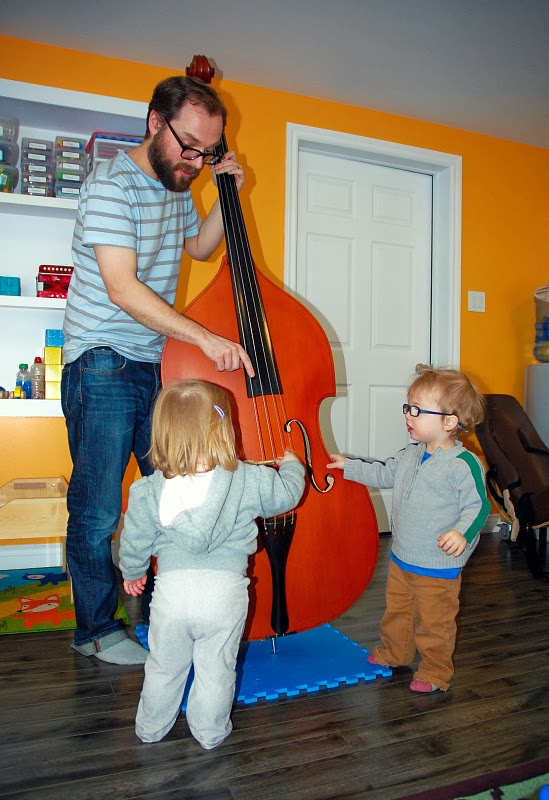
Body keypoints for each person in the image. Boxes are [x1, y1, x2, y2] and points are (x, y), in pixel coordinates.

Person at [61, 75, 255, 665]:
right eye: (189, 145)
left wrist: (228, 194)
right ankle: (95, 630)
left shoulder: (177, 182)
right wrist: (206, 338)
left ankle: (168, 613)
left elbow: (198, 247)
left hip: (152, 360)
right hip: (101, 361)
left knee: (172, 496)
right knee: (98, 509)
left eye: (208, 151)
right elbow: (122, 288)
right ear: (154, 123)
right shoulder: (110, 186)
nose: (196, 160)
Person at [119, 379, 305, 748]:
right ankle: (209, 732)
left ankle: (151, 728)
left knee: (164, 666)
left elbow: (134, 539)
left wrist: (133, 572)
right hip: (223, 594)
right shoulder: (250, 478)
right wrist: (293, 466)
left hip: (171, 594)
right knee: (215, 668)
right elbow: (287, 496)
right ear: (225, 430)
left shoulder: (147, 490)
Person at [327, 368, 491, 693]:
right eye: (407, 407)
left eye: (417, 410)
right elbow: (386, 473)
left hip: (438, 565)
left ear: (449, 422)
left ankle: (434, 671)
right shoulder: (411, 454)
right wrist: (351, 467)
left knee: (435, 623)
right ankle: (396, 652)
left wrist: (461, 533)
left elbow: (479, 507)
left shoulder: (463, 464)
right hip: (402, 557)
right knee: (398, 611)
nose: (408, 415)